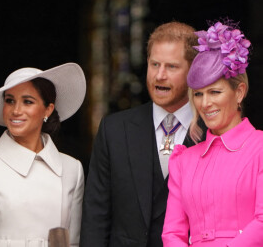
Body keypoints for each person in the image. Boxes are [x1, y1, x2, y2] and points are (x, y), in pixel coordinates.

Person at [80, 21, 206, 247]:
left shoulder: (213, 132)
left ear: (193, 70)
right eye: (154, 64)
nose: (160, 75)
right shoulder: (114, 130)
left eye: (172, 67)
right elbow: (96, 214)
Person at [162, 20, 263, 246]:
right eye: (198, 94)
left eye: (214, 92)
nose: (205, 103)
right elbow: (172, 234)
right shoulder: (183, 161)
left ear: (239, 92)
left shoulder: (260, 148)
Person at [0, 63, 86, 247]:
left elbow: (73, 242)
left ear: (48, 109)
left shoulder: (72, 169)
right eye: (10, 100)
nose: (16, 111)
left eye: (27, 101)